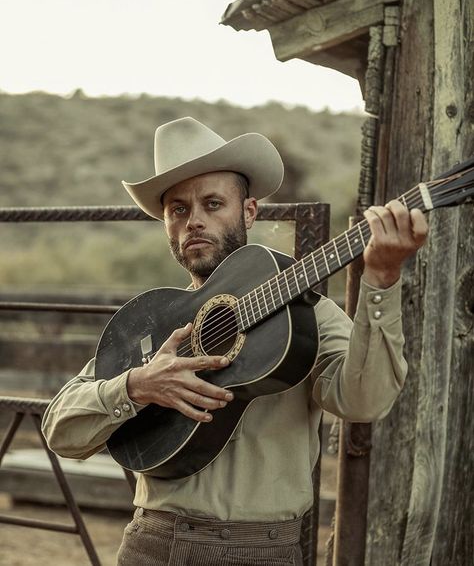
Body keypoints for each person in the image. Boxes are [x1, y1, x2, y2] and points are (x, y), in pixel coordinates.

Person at [42, 117, 428, 566]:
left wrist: (380, 279)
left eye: (213, 203)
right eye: (179, 210)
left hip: (261, 549)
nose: (195, 222)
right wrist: (135, 386)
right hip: (150, 542)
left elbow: (364, 402)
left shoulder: (310, 313)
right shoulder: (155, 321)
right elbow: (60, 429)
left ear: (248, 211)